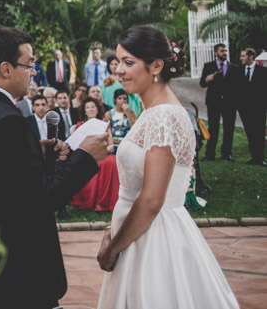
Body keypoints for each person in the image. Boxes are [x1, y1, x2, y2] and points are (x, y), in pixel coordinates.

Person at [0, 27, 109, 309]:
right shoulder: (9, 120)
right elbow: (41, 199)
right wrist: (86, 156)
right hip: (22, 271)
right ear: (6, 68)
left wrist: (35, 154)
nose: (34, 72)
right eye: (29, 64)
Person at [97, 25, 239, 308]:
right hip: (136, 231)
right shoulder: (155, 112)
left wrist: (112, 250)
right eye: (119, 63)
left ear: (156, 66)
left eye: (129, 63)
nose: (120, 71)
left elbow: (151, 199)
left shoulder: (164, 117)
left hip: (152, 239)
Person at [199, 43, 241, 161]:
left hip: (229, 102)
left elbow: (238, 86)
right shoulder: (209, 66)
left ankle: (227, 153)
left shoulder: (234, 67)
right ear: (216, 53)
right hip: (214, 101)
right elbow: (202, 84)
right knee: (213, 128)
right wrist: (208, 79)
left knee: (229, 128)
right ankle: (210, 153)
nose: (225, 53)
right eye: (222, 51)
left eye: (226, 51)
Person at [239, 48, 267, 166]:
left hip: (259, 107)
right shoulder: (239, 71)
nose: (241, 58)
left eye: (243, 56)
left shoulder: (263, 71)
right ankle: (253, 156)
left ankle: (259, 157)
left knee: (259, 132)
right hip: (244, 108)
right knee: (250, 132)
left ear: (250, 57)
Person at [110, 89, 136, 153]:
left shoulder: (132, 113)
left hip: (128, 146)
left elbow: (135, 129)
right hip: (115, 145)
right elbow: (108, 132)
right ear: (115, 100)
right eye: (120, 98)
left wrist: (127, 113)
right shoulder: (109, 113)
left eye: (125, 99)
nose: (122, 101)